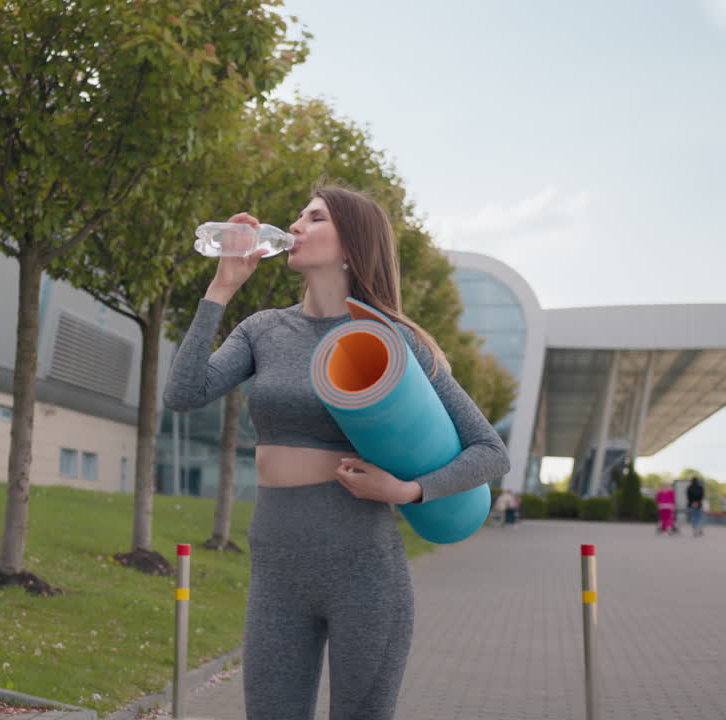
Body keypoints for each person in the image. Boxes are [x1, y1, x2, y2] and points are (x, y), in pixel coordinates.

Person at [163, 186, 511, 720]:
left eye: (315, 217)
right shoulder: (263, 330)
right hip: (276, 566)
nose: (295, 226)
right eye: (297, 215)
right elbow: (183, 394)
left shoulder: (389, 339)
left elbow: (490, 451)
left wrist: (406, 491)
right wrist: (220, 289)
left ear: (351, 244)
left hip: (364, 570)